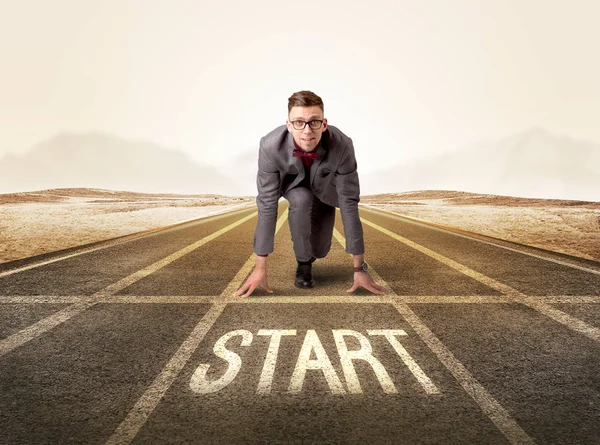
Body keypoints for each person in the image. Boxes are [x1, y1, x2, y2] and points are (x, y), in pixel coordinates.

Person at [235, 90, 387, 298]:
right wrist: (260, 267)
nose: (307, 130)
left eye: (314, 122)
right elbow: (267, 204)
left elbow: (349, 202)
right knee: (301, 199)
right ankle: (303, 265)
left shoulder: (342, 145)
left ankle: (311, 255)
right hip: (294, 188)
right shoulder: (270, 146)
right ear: (288, 125)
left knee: (320, 250)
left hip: (325, 192)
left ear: (324, 124)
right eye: (299, 122)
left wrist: (358, 269)